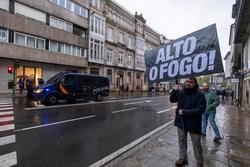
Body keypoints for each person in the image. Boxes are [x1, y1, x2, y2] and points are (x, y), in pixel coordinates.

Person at [170, 77, 206, 167]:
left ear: (195, 83)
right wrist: (175, 90)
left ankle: (199, 161)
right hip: (181, 122)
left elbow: (201, 109)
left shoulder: (200, 95)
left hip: (194, 123)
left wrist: (185, 112)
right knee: (181, 141)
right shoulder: (181, 92)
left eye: (191, 82)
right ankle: (182, 158)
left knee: (196, 143)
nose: (188, 83)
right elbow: (172, 99)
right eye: (186, 81)